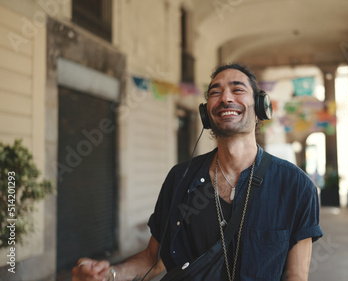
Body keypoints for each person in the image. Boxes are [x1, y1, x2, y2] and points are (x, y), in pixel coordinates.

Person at [72, 63, 323, 281]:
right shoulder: (180, 178)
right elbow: (154, 259)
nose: (225, 98)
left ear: (260, 107)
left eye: (237, 89)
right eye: (215, 92)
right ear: (206, 112)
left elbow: (296, 276)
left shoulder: (296, 186)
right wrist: (108, 275)